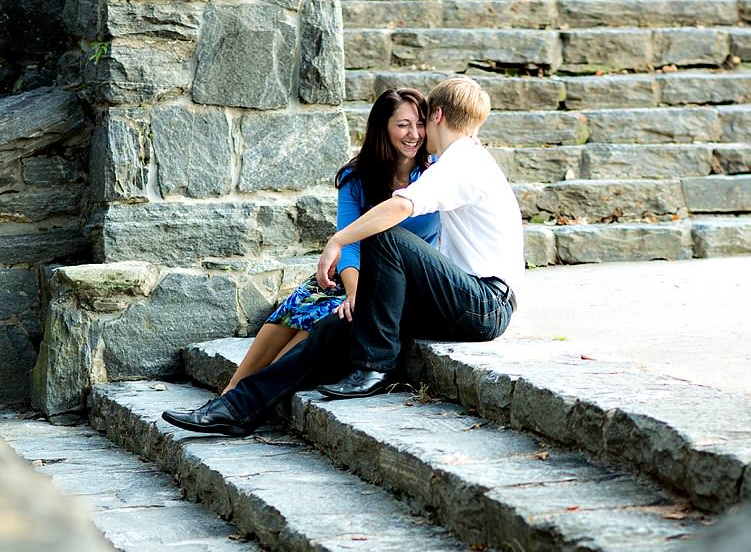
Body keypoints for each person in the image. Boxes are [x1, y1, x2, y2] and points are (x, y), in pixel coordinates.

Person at [161, 76, 523, 436]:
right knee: (336, 324)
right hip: (463, 301)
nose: (419, 131)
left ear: (438, 115)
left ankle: (374, 366)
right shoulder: (460, 159)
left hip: (485, 302)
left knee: (385, 234)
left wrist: (338, 240)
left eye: (423, 120)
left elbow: (399, 207)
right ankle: (237, 408)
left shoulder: (461, 163)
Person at [222, 88, 440, 392]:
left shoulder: (436, 174)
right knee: (305, 299)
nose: (413, 134)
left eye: (419, 124)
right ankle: (232, 389)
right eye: (403, 124)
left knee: (323, 316)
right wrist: (353, 292)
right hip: (354, 273)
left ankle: (258, 389)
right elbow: (349, 243)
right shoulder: (357, 177)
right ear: (383, 128)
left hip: (400, 282)